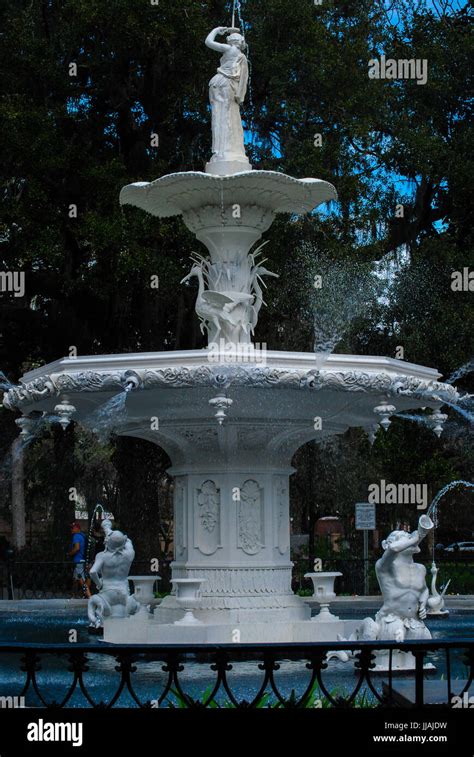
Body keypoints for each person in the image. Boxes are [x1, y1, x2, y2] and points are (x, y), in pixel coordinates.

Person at [205, 26, 249, 164]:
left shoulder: (229, 49)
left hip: (218, 83)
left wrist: (217, 30)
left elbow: (208, 42)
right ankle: (226, 150)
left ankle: (221, 151)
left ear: (232, 42)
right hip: (228, 85)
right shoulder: (241, 56)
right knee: (228, 115)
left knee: (220, 116)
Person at [68, 521, 91, 599]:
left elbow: (77, 548)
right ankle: (75, 595)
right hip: (83, 560)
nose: (71, 529)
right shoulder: (83, 536)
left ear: (77, 528)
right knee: (76, 579)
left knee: (81, 579)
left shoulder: (76, 536)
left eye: (72, 527)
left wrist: (70, 553)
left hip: (78, 561)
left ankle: (87, 596)